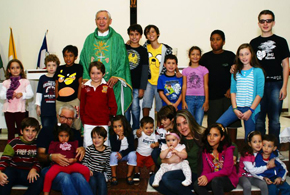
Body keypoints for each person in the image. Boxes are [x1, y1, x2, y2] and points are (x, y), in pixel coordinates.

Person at [80, 10, 132, 115]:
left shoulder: (117, 38)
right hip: (93, 84)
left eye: (104, 18)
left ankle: (112, 131)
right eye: (99, 18)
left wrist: (117, 76)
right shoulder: (89, 39)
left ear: (110, 21)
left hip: (112, 84)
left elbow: (123, 59)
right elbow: (83, 59)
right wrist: (86, 76)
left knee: (113, 110)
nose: (101, 21)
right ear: (95, 21)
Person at [250, 10, 290, 149]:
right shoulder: (253, 43)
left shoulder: (281, 42)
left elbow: (285, 65)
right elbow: (249, 65)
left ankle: (274, 150)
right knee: (259, 121)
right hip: (259, 86)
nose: (265, 24)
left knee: (274, 121)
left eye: (268, 20)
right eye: (262, 21)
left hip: (276, 84)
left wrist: (284, 86)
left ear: (273, 22)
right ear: (258, 23)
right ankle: (260, 150)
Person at [37, 104, 93, 195]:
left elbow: (78, 158)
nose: (66, 121)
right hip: (50, 168)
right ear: (58, 116)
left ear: (74, 119)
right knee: (66, 178)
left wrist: (82, 150)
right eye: (63, 117)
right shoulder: (46, 131)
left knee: (80, 178)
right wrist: (52, 157)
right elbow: (39, 156)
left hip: (71, 167)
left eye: (70, 118)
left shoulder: (76, 134)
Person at [150, 109, 205, 195]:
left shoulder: (202, 135)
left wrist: (234, 153)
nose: (182, 127)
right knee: (153, 179)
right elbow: (159, 159)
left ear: (191, 121)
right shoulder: (177, 137)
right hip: (176, 169)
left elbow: (229, 144)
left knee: (167, 178)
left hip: (193, 173)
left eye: (185, 122)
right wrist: (170, 160)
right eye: (179, 125)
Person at [217, 43, 265, 141]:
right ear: (238, 56)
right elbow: (233, 91)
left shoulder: (258, 71)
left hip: (251, 110)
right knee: (218, 126)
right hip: (237, 107)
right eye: (241, 54)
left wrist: (250, 111)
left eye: (246, 54)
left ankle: (248, 155)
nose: (244, 57)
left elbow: (259, 94)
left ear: (251, 54)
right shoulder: (235, 71)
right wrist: (234, 109)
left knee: (249, 137)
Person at [199, 30, 241, 142]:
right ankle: (215, 148)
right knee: (214, 125)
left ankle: (232, 147)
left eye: (218, 39)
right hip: (213, 98)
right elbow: (198, 73)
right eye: (212, 39)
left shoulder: (230, 56)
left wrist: (231, 89)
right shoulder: (205, 58)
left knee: (232, 124)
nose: (215, 42)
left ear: (223, 41)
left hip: (229, 97)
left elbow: (238, 75)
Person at [43, 124, 90, 195]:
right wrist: (54, 158)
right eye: (61, 136)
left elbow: (77, 155)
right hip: (58, 166)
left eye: (66, 136)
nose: (64, 138)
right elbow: (51, 154)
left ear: (69, 136)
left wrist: (74, 160)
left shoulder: (73, 144)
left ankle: (83, 187)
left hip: (72, 165)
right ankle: (46, 193)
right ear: (57, 136)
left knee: (86, 170)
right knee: (48, 175)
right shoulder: (54, 144)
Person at [0, 117, 43, 195]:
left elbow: (40, 160)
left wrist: (34, 169)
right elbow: (5, 159)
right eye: (27, 130)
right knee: (5, 176)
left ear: (37, 132)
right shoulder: (14, 143)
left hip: (29, 173)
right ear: (21, 131)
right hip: (14, 171)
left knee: (39, 180)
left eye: (33, 131)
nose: (30, 134)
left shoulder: (38, 144)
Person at [193, 123, 238, 195]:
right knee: (197, 184)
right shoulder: (205, 150)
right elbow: (206, 169)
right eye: (209, 134)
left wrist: (208, 177)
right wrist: (203, 177)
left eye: (215, 135)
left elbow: (227, 171)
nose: (211, 138)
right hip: (212, 178)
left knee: (216, 181)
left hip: (228, 179)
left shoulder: (228, 149)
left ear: (222, 137)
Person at [142, 24, 177, 117]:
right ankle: (145, 125)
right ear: (146, 36)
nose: (151, 34)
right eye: (148, 33)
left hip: (161, 81)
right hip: (148, 81)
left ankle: (159, 127)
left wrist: (177, 72)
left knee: (160, 107)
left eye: (153, 32)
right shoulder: (144, 48)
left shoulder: (166, 49)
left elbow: (172, 61)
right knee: (146, 104)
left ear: (158, 34)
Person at [80, 61, 117, 147]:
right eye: (93, 73)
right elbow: (82, 105)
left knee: (104, 145)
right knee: (88, 145)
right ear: (89, 74)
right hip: (88, 122)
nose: (95, 76)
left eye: (98, 73)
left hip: (103, 121)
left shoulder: (108, 87)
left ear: (103, 74)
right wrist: (83, 119)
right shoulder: (85, 87)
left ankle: (104, 161)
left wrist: (111, 118)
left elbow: (112, 104)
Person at [0, 59, 34, 141]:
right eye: (12, 68)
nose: (15, 70)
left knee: (21, 130)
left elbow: (31, 94)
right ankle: (10, 149)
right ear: (9, 70)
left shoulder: (25, 81)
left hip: (20, 110)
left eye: (17, 67)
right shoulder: (6, 82)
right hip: (8, 110)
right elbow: (1, 95)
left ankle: (21, 147)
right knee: (10, 130)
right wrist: (9, 94)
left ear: (21, 69)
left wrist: (22, 94)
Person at [125, 24, 149, 131]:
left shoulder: (143, 51)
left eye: (137, 34)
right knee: (126, 108)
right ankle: (126, 130)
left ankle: (135, 129)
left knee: (135, 108)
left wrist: (142, 88)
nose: (134, 37)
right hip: (125, 84)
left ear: (140, 36)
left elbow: (145, 70)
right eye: (131, 34)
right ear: (128, 35)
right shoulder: (124, 48)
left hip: (136, 85)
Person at [55, 45, 83, 130]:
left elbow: (80, 83)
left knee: (76, 122)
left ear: (75, 57)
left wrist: (78, 99)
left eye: (70, 56)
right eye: (65, 56)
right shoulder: (59, 68)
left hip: (74, 100)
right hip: (60, 101)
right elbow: (56, 84)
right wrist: (57, 97)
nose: (68, 58)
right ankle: (60, 140)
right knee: (61, 123)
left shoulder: (78, 67)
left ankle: (76, 140)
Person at [238, 131, 275, 195]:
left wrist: (263, 178)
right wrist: (266, 167)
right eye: (254, 142)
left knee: (263, 184)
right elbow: (252, 170)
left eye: (260, 141)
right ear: (250, 144)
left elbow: (274, 151)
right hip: (243, 176)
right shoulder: (247, 155)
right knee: (247, 185)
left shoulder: (260, 153)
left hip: (254, 176)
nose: (258, 144)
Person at [182, 46, 209, 125]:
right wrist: (183, 101)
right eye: (193, 54)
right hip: (189, 98)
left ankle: (198, 137)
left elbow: (206, 85)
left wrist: (206, 101)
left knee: (199, 121)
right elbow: (184, 86)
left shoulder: (204, 69)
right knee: (189, 121)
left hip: (201, 99)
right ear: (189, 56)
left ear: (200, 56)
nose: (195, 56)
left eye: (197, 54)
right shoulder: (185, 70)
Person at [82, 127, 111, 195]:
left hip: (100, 172)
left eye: (99, 137)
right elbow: (84, 162)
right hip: (90, 172)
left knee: (102, 183)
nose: (96, 140)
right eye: (94, 137)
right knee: (92, 182)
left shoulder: (108, 150)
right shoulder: (89, 149)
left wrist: (109, 176)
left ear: (105, 138)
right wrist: (88, 170)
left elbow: (107, 164)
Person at [109, 115, 137, 185]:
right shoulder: (112, 134)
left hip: (126, 153)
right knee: (112, 155)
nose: (117, 129)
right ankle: (114, 176)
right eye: (115, 127)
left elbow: (132, 147)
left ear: (124, 125)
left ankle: (129, 175)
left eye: (120, 126)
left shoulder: (129, 132)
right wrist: (119, 139)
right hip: (117, 153)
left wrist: (122, 153)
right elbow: (114, 148)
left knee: (133, 154)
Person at [36, 54, 60, 129]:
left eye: (54, 65)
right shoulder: (42, 78)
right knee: (46, 128)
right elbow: (39, 92)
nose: (51, 67)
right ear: (46, 66)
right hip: (45, 109)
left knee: (56, 130)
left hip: (56, 109)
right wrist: (38, 106)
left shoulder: (59, 78)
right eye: (49, 65)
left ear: (57, 66)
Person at [134, 116, 159, 182]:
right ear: (141, 128)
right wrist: (138, 132)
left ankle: (152, 172)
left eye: (151, 128)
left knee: (153, 163)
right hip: (140, 153)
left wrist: (155, 145)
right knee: (136, 163)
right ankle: (137, 173)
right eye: (146, 128)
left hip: (149, 155)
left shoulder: (153, 135)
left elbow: (157, 144)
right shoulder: (141, 133)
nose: (149, 130)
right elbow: (137, 134)